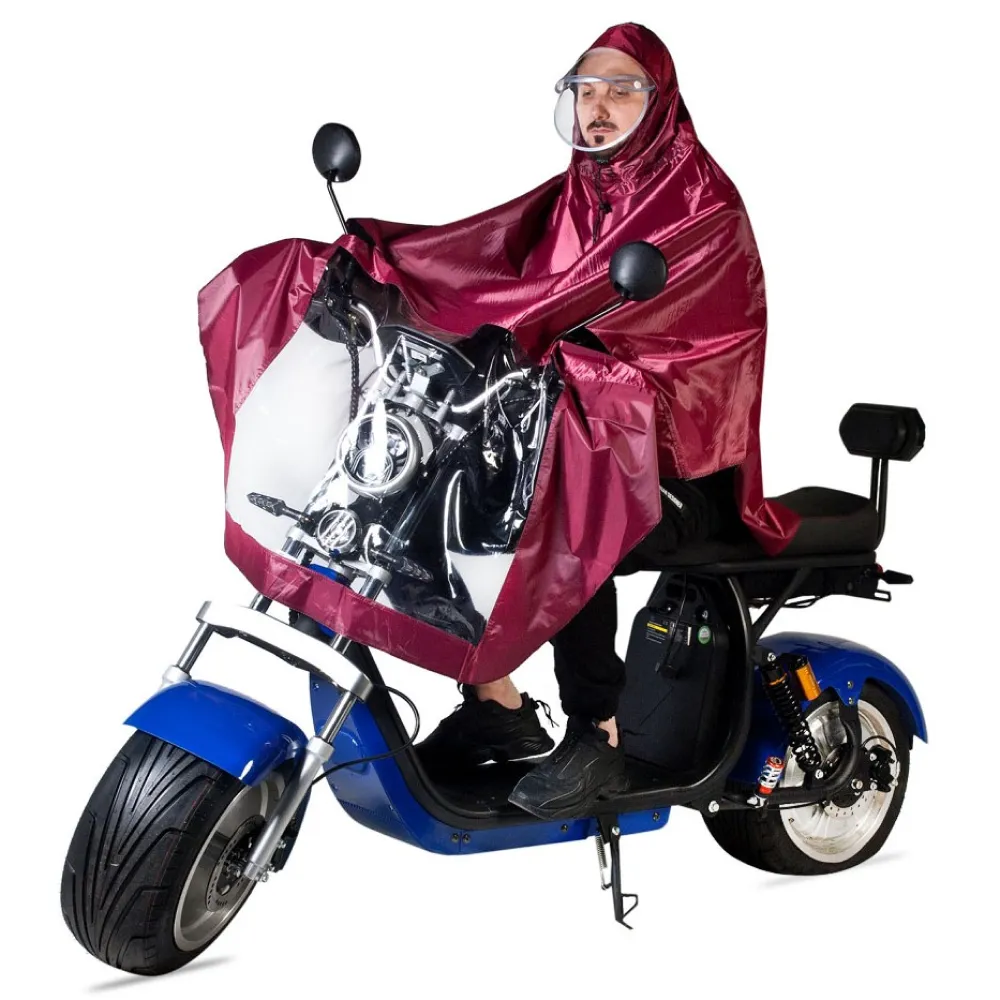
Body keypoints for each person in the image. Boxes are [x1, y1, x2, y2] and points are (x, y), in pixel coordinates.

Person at [416, 27, 760, 819]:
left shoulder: (700, 203)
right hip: (573, 441)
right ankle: (497, 705)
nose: (598, 107)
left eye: (621, 91)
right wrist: (394, 269)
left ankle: (597, 732)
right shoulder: (577, 193)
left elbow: (678, 348)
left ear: (660, 102)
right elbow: (491, 262)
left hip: (683, 472)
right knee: (439, 485)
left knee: (574, 506)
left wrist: (550, 346)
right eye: (586, 91)